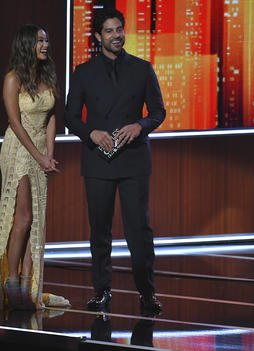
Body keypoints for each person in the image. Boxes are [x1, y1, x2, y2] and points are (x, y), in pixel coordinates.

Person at [64, 8, 165, 316]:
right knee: (100, 230)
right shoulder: (83, 72)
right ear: (98, 37)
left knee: (139, 230)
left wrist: (140, 126)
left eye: (119, 29)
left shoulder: (143, 68)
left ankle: (147, 293)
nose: (116, 35)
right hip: (98, 162)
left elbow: (158, 112)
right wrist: (90, 132)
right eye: (109, 31)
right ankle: (102, 291)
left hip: (134, 160)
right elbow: (70, 117)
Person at [0, 24, 70, 310]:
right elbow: (15, 123)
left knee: (37, 222)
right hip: (19, 149)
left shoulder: (48, 76)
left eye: (47, 39)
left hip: (41, 148)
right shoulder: (13, 79)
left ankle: (29, 286)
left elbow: (52, 115)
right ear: (27, 45)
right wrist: (38, 157)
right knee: (24, 217)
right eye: (40, 40)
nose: (45, 45)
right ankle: (12, 281)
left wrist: (49, 154)